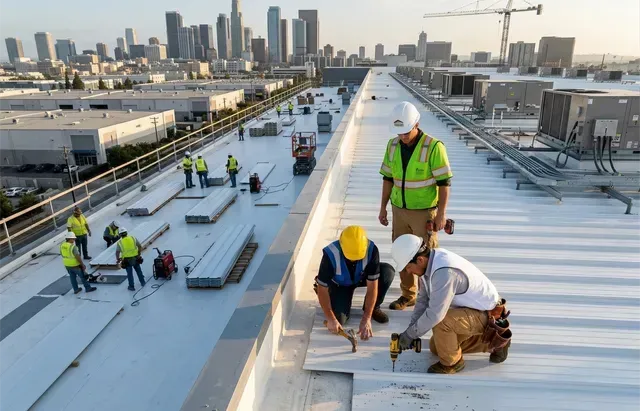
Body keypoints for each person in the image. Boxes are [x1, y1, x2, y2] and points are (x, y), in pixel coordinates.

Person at [391, 234, 511, 374]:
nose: (408, 271)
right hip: (472, 310)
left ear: (420, 259)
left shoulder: (444, 273)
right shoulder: (430, 263)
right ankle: (493, 343)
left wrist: (409, 335)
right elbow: (423, 300)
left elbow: (435, 314)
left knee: (441, 322)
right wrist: (411, 330)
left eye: (408, 267)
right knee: (436, 347)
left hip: (488, 314)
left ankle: (452, 363)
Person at [379, 101, 453, 311]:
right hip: (399, 210)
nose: (402, 136)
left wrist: (441, 214)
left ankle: (429, 297)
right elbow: (387, 178)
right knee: (402, 252)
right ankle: (408, 295)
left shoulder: (434, 147)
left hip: (424, 212)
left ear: (417, 124)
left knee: (426, 256)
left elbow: (444, 183)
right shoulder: (392, 145)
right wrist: (383, 207)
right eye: (399, 132)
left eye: (406, 131)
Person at [315, 226, 395, 341]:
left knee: (387, 272)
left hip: (361, 277)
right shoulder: (330, 254)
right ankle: (336, 297)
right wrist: (331, 318)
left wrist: (366, 318)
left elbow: (372, 286)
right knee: (339, 320)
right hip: (340, 284)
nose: (353, 260)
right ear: (341, 246)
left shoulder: (371, 250)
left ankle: (374, 308)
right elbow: (322, 289)